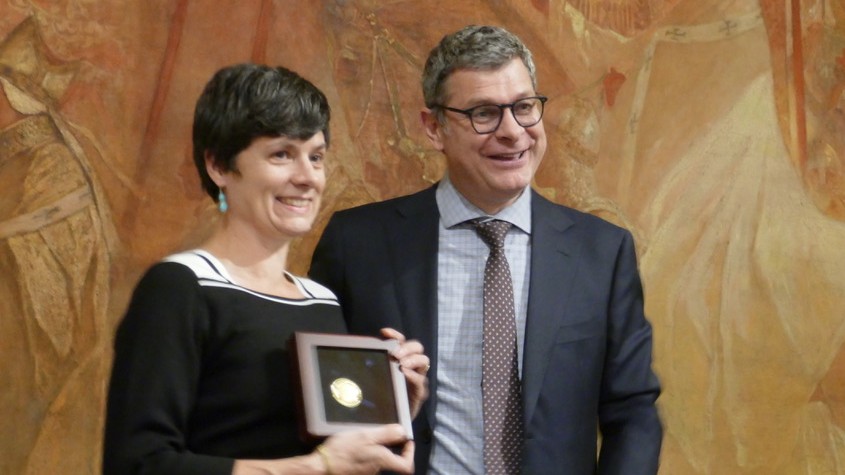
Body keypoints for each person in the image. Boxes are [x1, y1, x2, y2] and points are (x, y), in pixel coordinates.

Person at [310, 25, 662, 474]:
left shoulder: (603, 252)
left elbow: (632, 410)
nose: (512, 132)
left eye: (523, 107)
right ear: (434, 127)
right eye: (483, 113)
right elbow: (319, 400)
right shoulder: (357, 243)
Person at [103, 63, 430, 475]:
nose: (307, 177)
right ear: (219, 166)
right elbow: (138, 463)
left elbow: (336, 452)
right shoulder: (181, 287)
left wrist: (391, 408)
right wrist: (317, 467)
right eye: (281, 155)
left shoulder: (322, 302)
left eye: (316, 157)